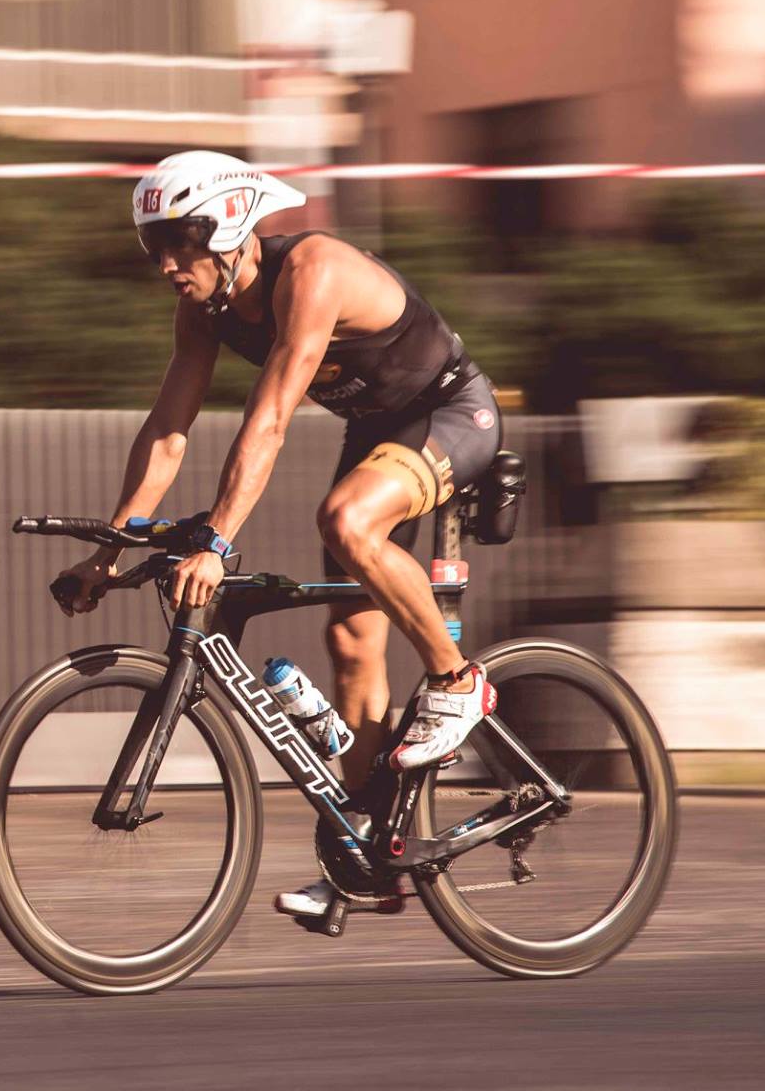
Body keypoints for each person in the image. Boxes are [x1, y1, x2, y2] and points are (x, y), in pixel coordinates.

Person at [54, 150, 502, 919]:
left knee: (343, 518)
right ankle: (372, 857)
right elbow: (168, 430)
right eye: (152, 249)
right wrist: (108, 551)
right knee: (353, 648)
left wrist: (218, 541)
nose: (165, 265)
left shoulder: (313, 271)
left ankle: (459, 683)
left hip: (453, 413)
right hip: (377, 431)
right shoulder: (204, 308)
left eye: (177, 245)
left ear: (225, 226)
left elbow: (270, 418)